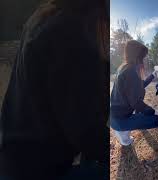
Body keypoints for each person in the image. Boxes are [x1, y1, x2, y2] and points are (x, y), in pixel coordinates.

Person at [0, 0, 108, 179]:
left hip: (14, 160)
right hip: (38, 171)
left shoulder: (45, 16)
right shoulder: (72, 35)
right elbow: (87, 134)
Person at [110, 40, 158, 146]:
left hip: (115, 116)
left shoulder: (124, 68)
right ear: (138, 57)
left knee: (126, 137)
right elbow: (137, 103)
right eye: (144, 57)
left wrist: (152, 75)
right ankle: (124, 135)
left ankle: (124, 135)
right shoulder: (131, 72)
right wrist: (154, 111)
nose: (145, 60)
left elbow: (139, 85)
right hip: (121, 120)